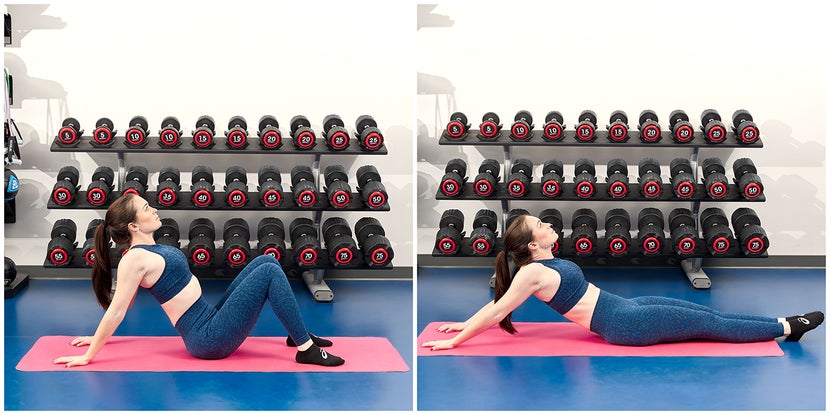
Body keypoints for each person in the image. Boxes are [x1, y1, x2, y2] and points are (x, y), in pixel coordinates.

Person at [422, 214, 823, 350]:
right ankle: (789, 328)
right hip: (624, 326)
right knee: (709, 326)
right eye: (541, 225)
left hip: (624, 308)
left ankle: (779, 323)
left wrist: (461, 323)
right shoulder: (531, 273)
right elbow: (499, 309)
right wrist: (458, 338)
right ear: (531, 242)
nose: (548, 225)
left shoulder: (542, 263)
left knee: (706, 313)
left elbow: (496, 303)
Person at [54, 193, 344, 367]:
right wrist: (92, 352)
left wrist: (97, 336)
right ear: (133, 226)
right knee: (269, 272)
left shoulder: (149, 249)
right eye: (145, 209)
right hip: (208, 340)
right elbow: (119, 308)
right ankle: (306, 349)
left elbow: (125, 303)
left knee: (266, 261)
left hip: (210, 319)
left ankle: (297, 333)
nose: (153, 209)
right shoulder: (134, 259)